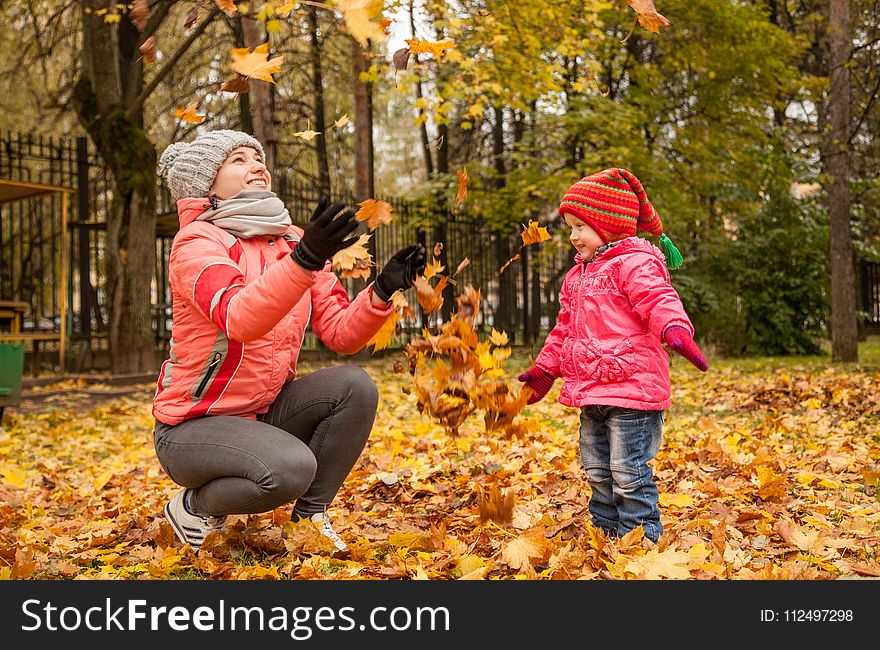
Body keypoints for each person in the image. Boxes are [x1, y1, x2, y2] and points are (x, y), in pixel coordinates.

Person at [151, 129, 426, 553]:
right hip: (192, 426)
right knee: (290, 469)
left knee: (355, 386)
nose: (256, 165)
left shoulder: (292, 240)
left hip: (262, 414)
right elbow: (238, 317)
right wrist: (303, 262)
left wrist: (381, 291)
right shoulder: (196, 243)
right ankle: (194, 505)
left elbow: (339, 333)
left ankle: (310, 520)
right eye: (237, 160)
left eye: (257, 158)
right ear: (206, 184)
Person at [517, 167, 708, 543]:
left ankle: (640, 543)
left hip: (633, 393)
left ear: (607, 224)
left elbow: (657, 300)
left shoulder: (635, 263)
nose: (572, 236)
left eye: (579, 227)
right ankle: (603, 537)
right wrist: (546, 368)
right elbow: (564, 329)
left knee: (628, 471)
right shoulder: (578, 276)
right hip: (593, 391)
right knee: (597, 470)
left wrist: (676, 331)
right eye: (570, 227)